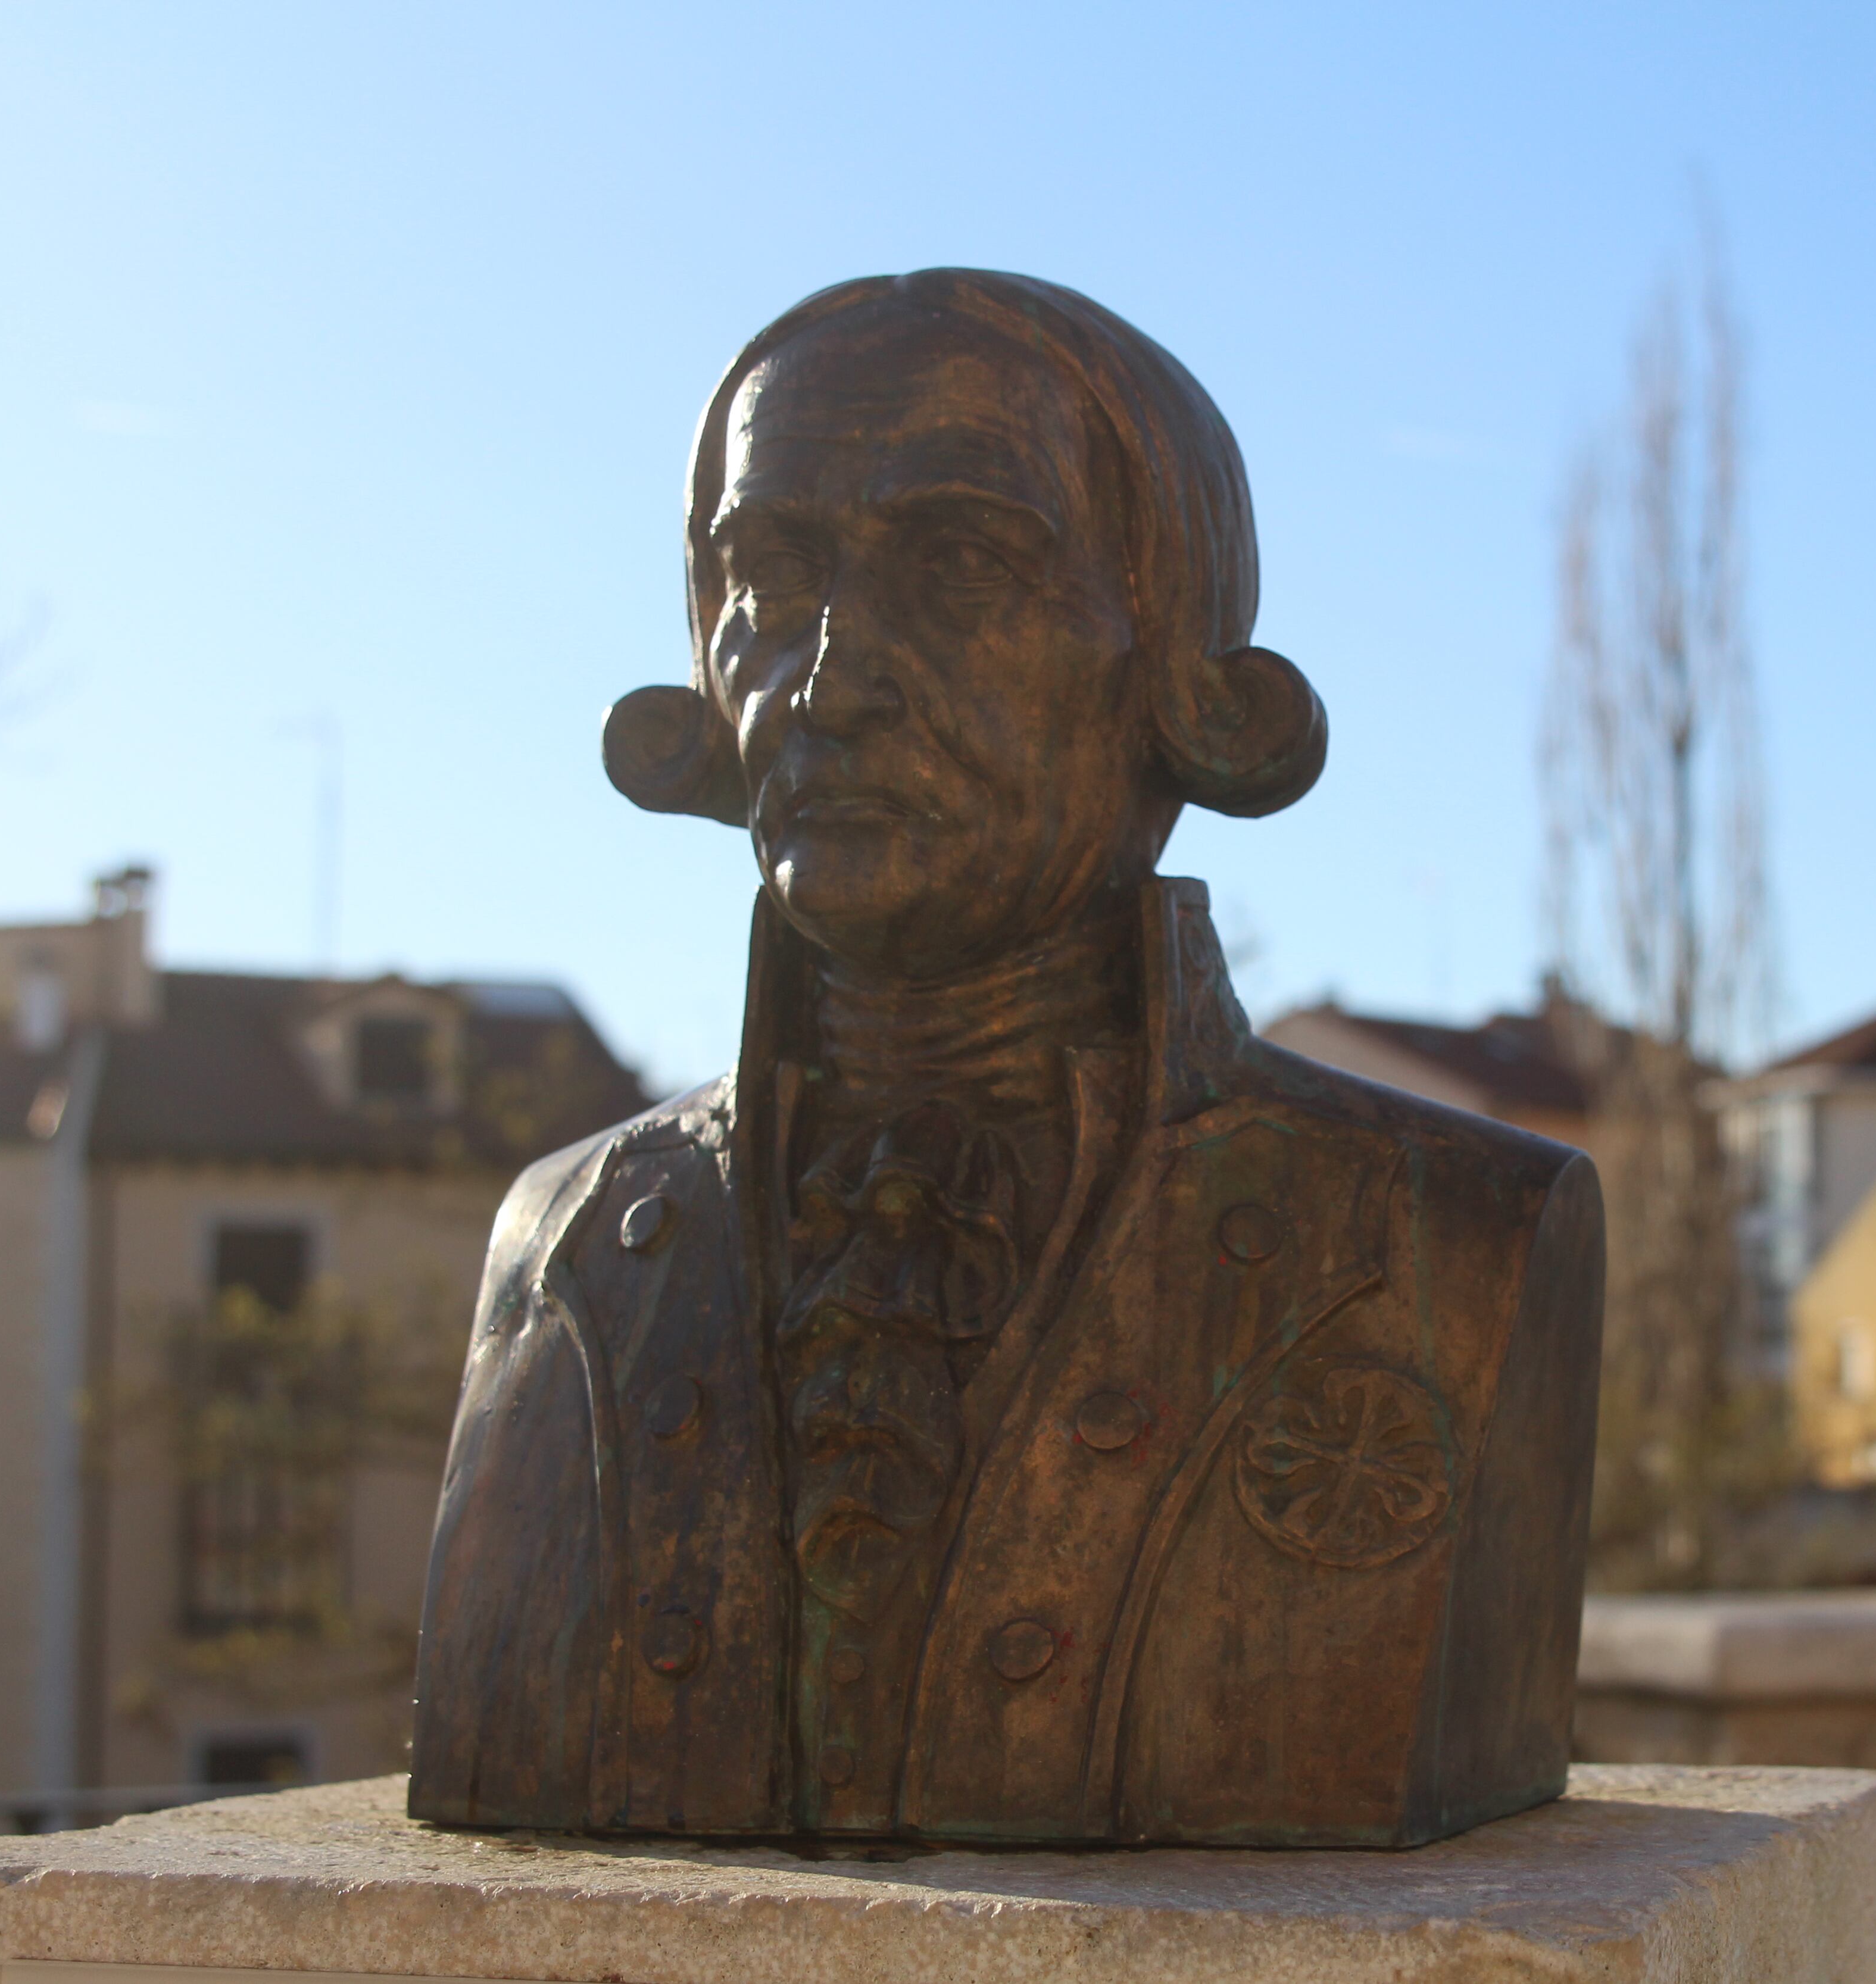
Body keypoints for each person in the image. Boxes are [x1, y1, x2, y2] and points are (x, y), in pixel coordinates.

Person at [408, 270, 1603, 1846]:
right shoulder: (562, 1253)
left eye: (961, 569)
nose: (827, 683)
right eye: (767, 581)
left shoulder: (1450, 1239)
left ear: (1175, 664)